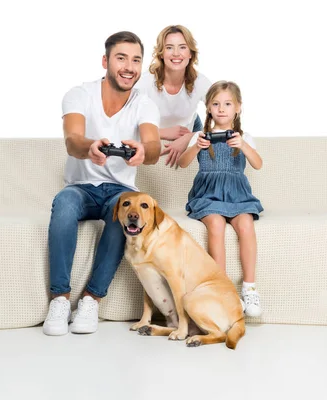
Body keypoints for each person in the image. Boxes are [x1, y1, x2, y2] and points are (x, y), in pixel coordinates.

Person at [42, 31, 161, 336]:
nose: (129, 67)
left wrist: (144, 151)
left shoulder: (144, 103)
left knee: (124, 214)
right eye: (121, 58)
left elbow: (154, 146)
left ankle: (92, 299)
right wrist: (91, 147)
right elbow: (73, 140)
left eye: (136, 60)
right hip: (81, 187)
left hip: (119, 191)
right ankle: (59, 298)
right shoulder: (79, 94)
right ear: (106, 61)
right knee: (64, 204)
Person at [177, 81, 264, 317]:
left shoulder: (244, 137)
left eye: (227, 104)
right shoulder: (200, 135)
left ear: (238, 108)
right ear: (208, 108)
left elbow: (258, 164)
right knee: (215, 225)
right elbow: (183, 163)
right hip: (208, 194)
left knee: (245, 224)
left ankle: (249, 287)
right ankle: (223, 288)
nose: (221, 109)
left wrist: (243, 145)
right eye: (216, 104)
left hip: (237, 195)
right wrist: (196, 147)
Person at [134, 25, 212, 167]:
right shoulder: (144, 83)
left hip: (190, 127)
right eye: (169, 47)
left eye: (182, 47)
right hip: (152, 129)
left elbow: (226, 116)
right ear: (161, 53)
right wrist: (162, 133)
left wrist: (191, 137)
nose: (176, 53)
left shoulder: (200, 81)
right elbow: (124, 123)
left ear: (190, 53)